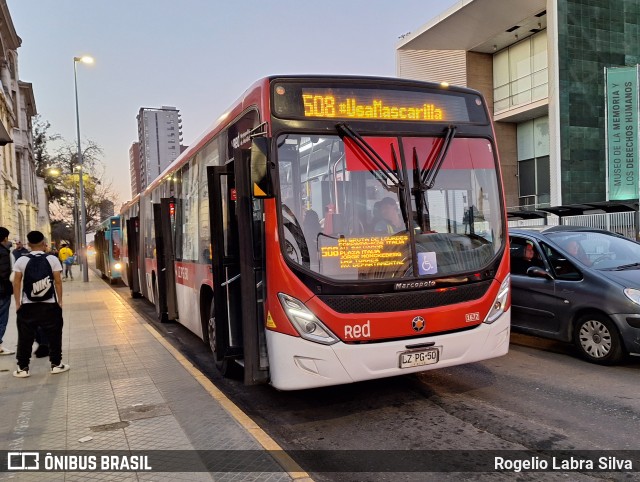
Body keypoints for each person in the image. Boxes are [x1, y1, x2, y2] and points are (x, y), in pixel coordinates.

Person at [12, 230, 70, 378]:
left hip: (27, 305)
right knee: (54, 335)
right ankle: (56, 364)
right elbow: (58, 281)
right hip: (49, 304)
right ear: (44, 243)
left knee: (25, 337)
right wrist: (60, 301)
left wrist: (18, 303)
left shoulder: (21, 261)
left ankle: (22, 368)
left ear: (29, 244)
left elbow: (16, 283)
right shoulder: (52, 259)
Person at [0, 227, 15, 355]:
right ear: (5, 238)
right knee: (2, 318)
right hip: (2, 291)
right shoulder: (3, 252)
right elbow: (4, 273)